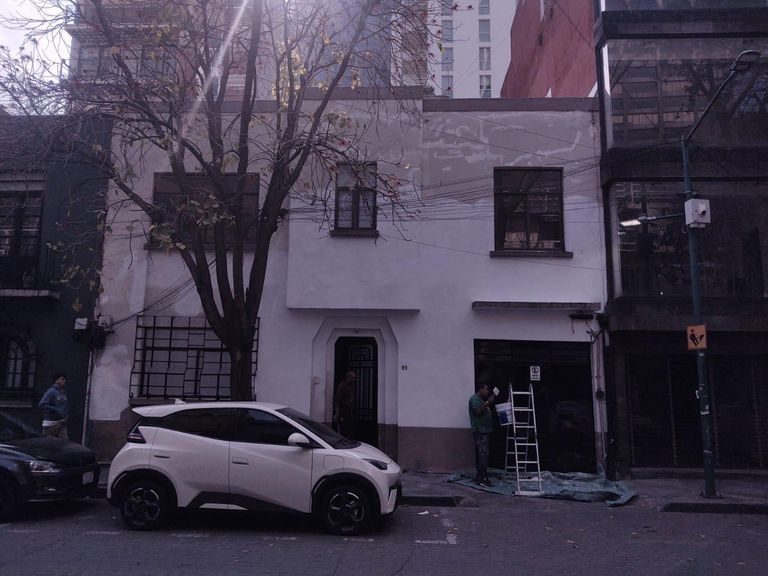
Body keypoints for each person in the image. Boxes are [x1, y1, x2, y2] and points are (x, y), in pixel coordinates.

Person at [468, 383, 495, 487]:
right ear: (480, 389)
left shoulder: (481, 400)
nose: (488, 391)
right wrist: (488, 402)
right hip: (480, 431)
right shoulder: (474, 399)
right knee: (483, 454)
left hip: (485, 430)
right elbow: (478, 411)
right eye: (486, 389)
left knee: (483, 454)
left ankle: (481, 476)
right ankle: (481, 478)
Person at [38, 373, 69, 439]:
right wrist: (56, 410)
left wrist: (65, 415)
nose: (64, 381)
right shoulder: (51, 392)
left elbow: (64, 406)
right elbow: (42, 404)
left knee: (64, 441)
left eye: (64, 379)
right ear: (56, 381)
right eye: (62, 379)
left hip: (61, 422)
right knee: (48, 442)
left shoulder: (63, 393)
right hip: (50, 423)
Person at [333, 370, 357, 439]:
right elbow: (337, 400)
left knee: (351, 430)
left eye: (355, 378)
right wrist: (337, 414)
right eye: (353, 378)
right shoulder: (342, 386)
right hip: (343, 413)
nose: (354, 380)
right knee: (343, 431)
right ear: (348, 377)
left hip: (350, 413)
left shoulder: (352, 386)